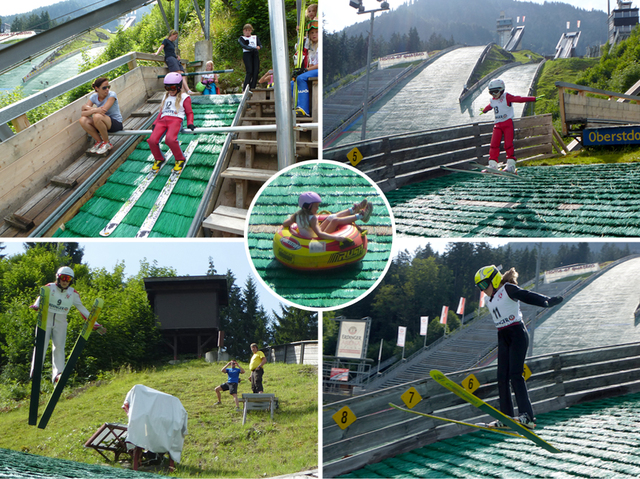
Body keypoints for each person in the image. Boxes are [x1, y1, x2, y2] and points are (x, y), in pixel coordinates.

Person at [474, 265, 563, 429]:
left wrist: (546, 301)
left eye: (483, 285)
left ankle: (527, 416)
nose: (482, 290)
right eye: (479, 287)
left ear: (494, 280)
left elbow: (526, 295)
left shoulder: (507, 289)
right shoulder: (488, 299)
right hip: (502, 336)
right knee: (502, 377)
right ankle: (506, 417)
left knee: (515, 375)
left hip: (517, 334)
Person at [30, 267, 106, 383]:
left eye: (68, 279)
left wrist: (95, 325)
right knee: (41, 345)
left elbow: (82, 309)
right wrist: (36, 305)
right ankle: (35, 371)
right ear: (58, 277)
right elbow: (41, 296)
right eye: (63, 278)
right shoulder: (50, 287)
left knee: (59, 347)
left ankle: (57, 374)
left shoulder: (73, 294)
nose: (65, 281)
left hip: (61, 320)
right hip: (46, 318)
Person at [480, 78, 536, 174]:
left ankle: (510, 166)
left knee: (508, 144)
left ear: (502, 90)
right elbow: (490, 106)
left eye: (496, 92)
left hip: (507, 123)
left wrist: (533, 99)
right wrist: (484, 110)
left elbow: (518, 99)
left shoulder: (506, 97)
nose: (494, 94)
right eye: (491, 92)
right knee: (493, 145)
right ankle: (492, 165)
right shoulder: (493, 100)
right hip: (497, 124)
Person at [147, 72, 195, 172]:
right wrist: (155, 122)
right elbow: (161, 112)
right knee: (152, 140)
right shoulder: (166, 96)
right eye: (167, 88)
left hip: (176, 120)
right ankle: (159, 158)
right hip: (162, 120)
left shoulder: (185, 97)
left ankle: (180, 158)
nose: (170, 90)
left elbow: (189, 112)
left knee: (170, 139)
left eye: (172, 87)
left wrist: (190, 123)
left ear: (179, 86)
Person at [283, 192, 373, 243]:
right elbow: (320, 234)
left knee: (331, 216)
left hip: (310, 236)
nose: (318, 208)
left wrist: (293, 230)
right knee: (334, 220)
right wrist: (337, 238)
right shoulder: (312, 219)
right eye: (316, 206)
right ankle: (360, 216)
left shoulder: (297, 215)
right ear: (308, 206)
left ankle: (353, 210)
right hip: (316, 239)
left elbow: (285, 223)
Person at [79, 77, 123, 156]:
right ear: (97, 88)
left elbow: (103, 111)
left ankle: (107, 143)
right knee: (83, 120)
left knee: (97, 116)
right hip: (100, 123)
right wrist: (95, 110)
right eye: (104, 88)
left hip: (115, 123)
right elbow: (83, 113)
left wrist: (89, 109)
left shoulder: (112, 95)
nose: (107, 89)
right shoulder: (93, 97)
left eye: (108, 87)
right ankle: (99, 142)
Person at [292, 19, 319, 117]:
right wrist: (303, 69)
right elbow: (312, 64)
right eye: (312, 33)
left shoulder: (320, 46)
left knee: (301, 78)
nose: (314, 34)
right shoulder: (312, 48)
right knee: (293, 82)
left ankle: (304, 109)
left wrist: (306, 70)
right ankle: (295, 105)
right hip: (314, 69)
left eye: (316, 32)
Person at [238, 24, 261, 91]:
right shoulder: (241, 38)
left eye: (249, 30)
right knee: (249, 71)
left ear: (251, 31)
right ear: (244, 31)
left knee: (256, 71)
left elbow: (260, 45)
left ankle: (252, 87)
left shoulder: (255, 37)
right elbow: (244, 46)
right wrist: (254, 48)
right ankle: (245, 88)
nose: (247, 32)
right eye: (246, 30)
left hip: (255, 54)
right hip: (247, 54)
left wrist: (259, 47)